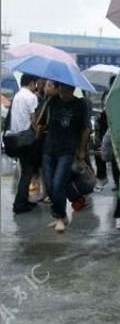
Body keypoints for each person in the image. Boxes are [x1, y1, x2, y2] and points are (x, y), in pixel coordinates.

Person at [42, 82, 89, 233]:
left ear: (71, 88)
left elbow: (86, 129)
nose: (60, 89)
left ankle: (60, 217)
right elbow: (41, 120)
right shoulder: (52, 101)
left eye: (63, 87)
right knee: (49, 186)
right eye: (59, 86)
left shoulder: (80, 104)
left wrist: (81, 150)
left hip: (67, 151)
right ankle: (61, 217)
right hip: (49, 149)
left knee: (58, 184)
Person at [9, 73, 39, 214]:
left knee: (25, 170)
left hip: (16, 138)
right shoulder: (31, 97)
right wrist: (38, 132)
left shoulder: (17, 96)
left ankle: (23, 200)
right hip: (27, 139)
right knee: (27, 172)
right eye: (36, 83)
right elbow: (34, 120)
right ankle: (20, 204)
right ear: (32, 82)